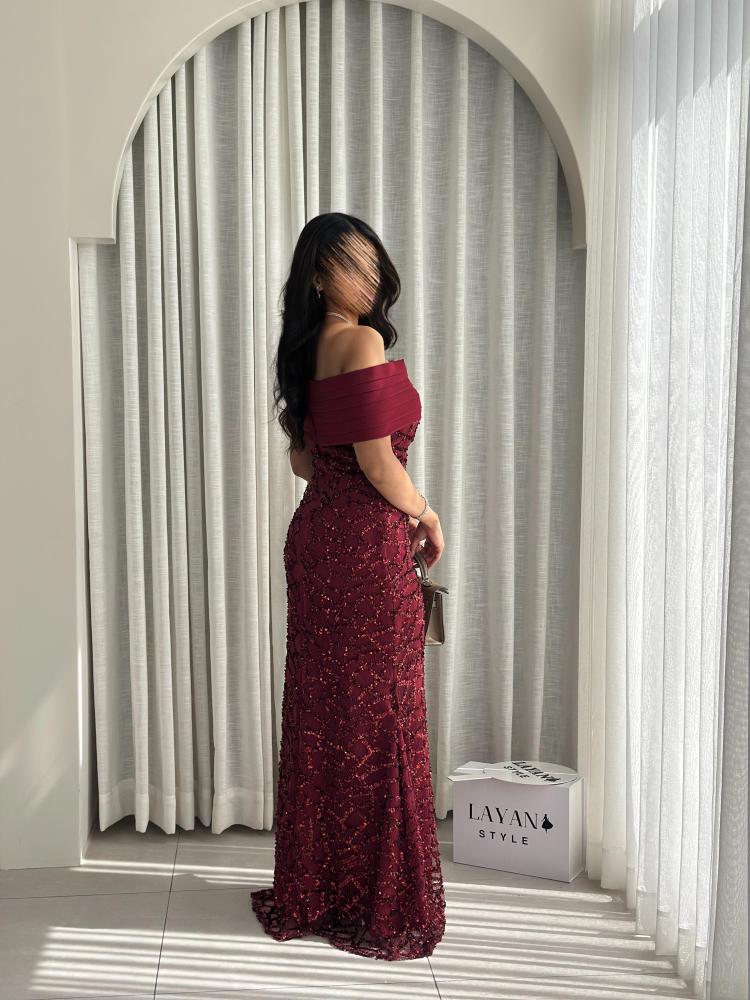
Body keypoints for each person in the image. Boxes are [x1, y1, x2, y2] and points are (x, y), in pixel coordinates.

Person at [250, 212, 446, 960]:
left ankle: (318, 887)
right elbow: (377, 461)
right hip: (365, 549)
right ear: (317, 276)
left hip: (315, 542)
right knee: (382, 713)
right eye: (350, 266)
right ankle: (374, 898)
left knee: (325, 713)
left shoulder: (302, 352)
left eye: (371, 264)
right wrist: (427, 513)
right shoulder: (360, 342)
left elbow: (304, 463)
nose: (367, 279)